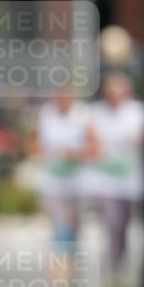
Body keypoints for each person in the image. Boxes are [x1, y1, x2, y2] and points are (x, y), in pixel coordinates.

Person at [85, 71, 144, 287]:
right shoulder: (96, 113)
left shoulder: (136, 111)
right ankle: (113, 268)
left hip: (130, 181)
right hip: (105, 181)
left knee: (123, 226)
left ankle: (121, 263)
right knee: (112, 222)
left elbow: (137, 137)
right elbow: (92, 141)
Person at [27, 86, 96, 274]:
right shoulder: (45, 114)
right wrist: (39, 152)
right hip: (52, 182)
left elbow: (95, 147)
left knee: (74, 227)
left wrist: (75, 154)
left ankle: (72, 266)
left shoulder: (83, 114)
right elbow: (33, 142)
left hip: (78, 182)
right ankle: (59, 272)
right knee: (59, 225)